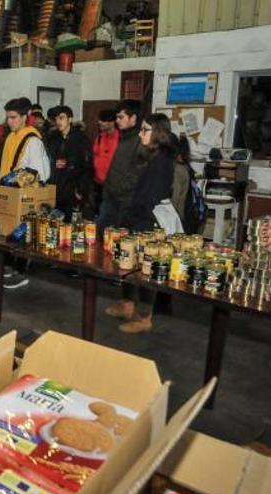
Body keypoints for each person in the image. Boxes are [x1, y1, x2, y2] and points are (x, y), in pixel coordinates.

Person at [106, 113, 177, 333]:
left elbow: (149, 198)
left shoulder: (162, 161)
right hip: (138, 216)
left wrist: (129, 219)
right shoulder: (152, 156)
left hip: (148, 220)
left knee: (145, 269)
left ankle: (144, 316)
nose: (140, 133)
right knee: (129, 263)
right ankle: (127, 304)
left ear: (158, 133)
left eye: (145, 130)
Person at [0, 97, 51, 290]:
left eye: (13, 117)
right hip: (10, 195)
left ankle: (21, 273)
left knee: (22, 235)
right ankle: (10, 266)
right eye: (8, 117)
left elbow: (40, 174)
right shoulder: (11, 137)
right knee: (8, 234)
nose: (9, 121)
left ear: (25, 117)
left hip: (26, 197)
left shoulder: (32, 141)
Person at [101, 100, 146, 230]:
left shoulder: (139, 140)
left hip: (124, 200)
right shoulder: (125, 137)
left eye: (121, 117)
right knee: (102, 234)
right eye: (116, 117)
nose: (117, 121)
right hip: (111, 196)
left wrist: (119, 189)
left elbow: (137, 172)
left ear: (133, 118)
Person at [45, 105, 91, 217]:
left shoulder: (80, 139)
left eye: (62, 118)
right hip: (56, 187)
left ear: (70, 119)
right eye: (56, 119)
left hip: (72, 188)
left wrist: (81, 189)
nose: (58, 122)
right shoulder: (53, 138)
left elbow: (87, 167)